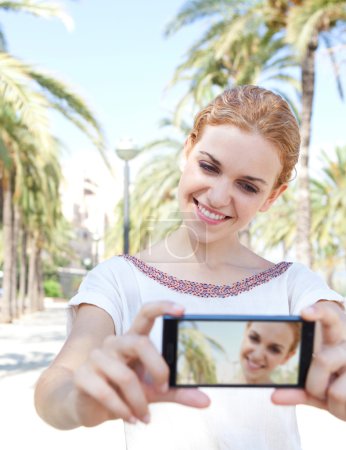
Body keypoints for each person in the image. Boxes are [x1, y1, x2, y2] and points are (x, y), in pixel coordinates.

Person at [34, 86, 346, 449]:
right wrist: (75, 402)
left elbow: (336, 333)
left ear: (272, 197)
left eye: (247, 186)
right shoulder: (118, 281)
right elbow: (55, 384)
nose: (216, 197)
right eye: (209, 166)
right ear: (188, 150)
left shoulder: (294, 287)